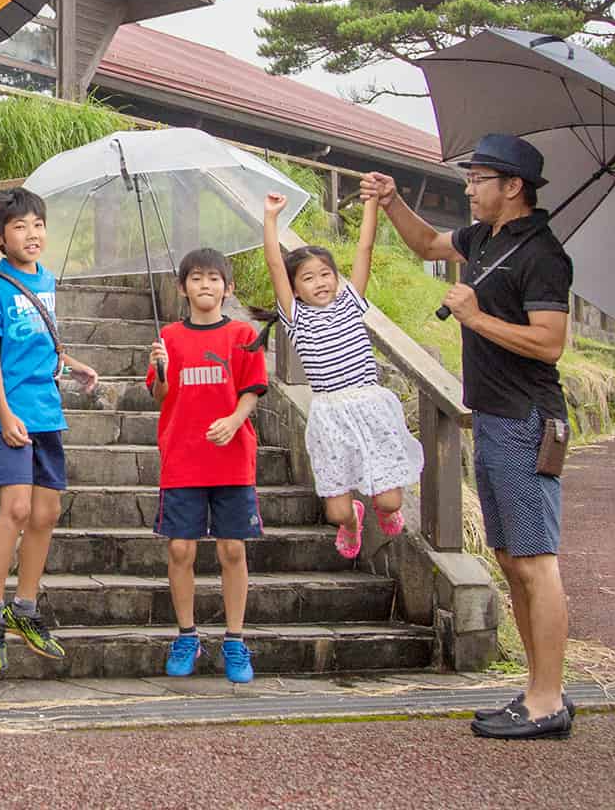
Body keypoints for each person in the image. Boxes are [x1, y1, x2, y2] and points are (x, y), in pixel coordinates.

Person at [361, 132, 575, 741]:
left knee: (536, 562)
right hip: (492, 413)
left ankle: (548, 699)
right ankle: (536, 689)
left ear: (513, 187)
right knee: (510, 559)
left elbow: (550, 342)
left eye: (479, 178)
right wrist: (395, 199)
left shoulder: (544, 255)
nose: (469, 187)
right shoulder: (484, 239)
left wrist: (477, 317)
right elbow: (429, 241)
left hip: (528, 417)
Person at [0, 187, 99, 672]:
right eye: (20, 226)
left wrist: (76, 365)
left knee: (47, 511)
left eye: (38, 224)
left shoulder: (46, 279)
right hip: (13, 414)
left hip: (47, 411)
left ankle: (26, 607)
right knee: (17, 507)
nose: (32, 234)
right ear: (1, 236)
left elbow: (45, 345)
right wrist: (3, 414)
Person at [257, 192, 422, 559]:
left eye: (326, 274)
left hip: (370, 406)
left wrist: (371, 204)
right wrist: (271, 218)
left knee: (393, 502)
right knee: (337, 511)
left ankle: (380, 506)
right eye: (309, 278)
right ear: (295, 288)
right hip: (331, 415)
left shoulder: (350, 303)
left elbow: (364, 249)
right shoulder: (296, 318)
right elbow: (273, 264)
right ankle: (353, 521)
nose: (320, 282)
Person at [145, 248, 268, 684]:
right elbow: (160, 396)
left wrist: (234, 422)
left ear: (228, 288)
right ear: (182, 288)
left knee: (233, 549)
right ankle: (186, 635)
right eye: (196, 278)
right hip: (182, 458)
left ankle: (235, 639)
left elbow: (253, 389)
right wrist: (161, 369)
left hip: (232, 460)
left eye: (214, 278)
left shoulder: (241, 335)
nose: (205, 286)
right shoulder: (169, 338)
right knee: (180, 549)